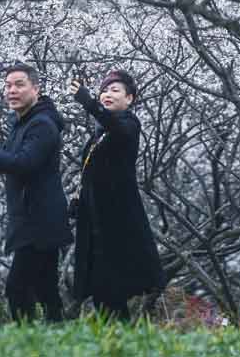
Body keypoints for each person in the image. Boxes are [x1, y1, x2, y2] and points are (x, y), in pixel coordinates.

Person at [0, 64, 73, 322]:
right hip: (33, 217)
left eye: (19, 85)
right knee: (46, 289)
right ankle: (56, 335)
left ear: (36, 89)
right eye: (8, 85)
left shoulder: (42, 125)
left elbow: (23, 163)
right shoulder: (23, 123)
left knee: (17, 288)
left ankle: (26, 339)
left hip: (39, 220)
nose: (12, 90)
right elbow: (9, 160)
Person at [68, 70, 165, 320]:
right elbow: (90, 170)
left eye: (114, 90)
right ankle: (115, 335)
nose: (107, 94)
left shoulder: (130, 124)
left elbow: (118, 130)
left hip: (117, 219)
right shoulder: (100, 133)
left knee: (113, 284)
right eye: (104, 90)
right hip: (94, 216)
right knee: (100, 287)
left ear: (129, 98)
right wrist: (79, 199)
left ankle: (121, 334)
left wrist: (89, 102)